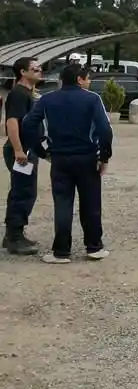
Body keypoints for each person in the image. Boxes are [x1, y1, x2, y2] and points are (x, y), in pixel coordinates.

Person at [22, 64, 114, 264]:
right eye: (87, 78)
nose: (89, 82)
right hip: (87, 158)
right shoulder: (92, 99)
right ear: (79, 79)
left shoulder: (47, 99)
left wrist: (41, 151)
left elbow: (28, 124)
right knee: (91, 203)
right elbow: (105, 129)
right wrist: (104, 156)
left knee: (63, 203)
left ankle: (61, 252)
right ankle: (94, 247)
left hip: (59, 158)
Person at [3, 57, 43, 255]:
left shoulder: (28, 93)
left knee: (23, 191)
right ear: (23, 72)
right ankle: (15, 238)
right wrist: (18, 150)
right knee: (23, 192)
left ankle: (12, 234)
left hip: (28, 150)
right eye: (35, 69)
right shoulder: (18, 94)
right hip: (21, 152)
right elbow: (12, 122)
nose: (40, 71)